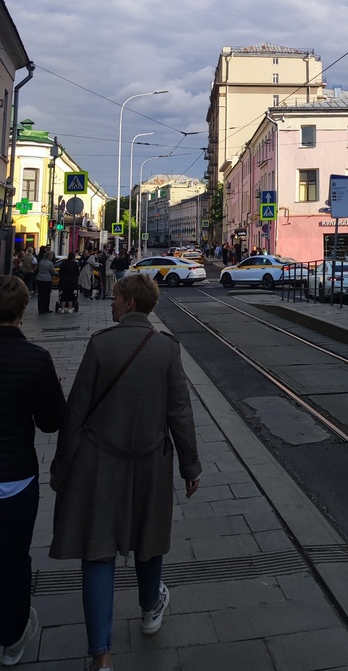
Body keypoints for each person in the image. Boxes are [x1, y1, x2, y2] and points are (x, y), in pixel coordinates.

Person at [49, 273, 201, 671]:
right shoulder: (167, 350)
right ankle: (151, 609)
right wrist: (190, 465)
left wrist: (61, 465)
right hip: (151, 462)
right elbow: (179, 414)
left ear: (130, 303)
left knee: (98, 553)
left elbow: (76, 412)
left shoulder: (101, 345)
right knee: (149, 540)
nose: (111, 303)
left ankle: (102, 656)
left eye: (115, 297)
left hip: (99, 462)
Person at [0, 275, 66, 666]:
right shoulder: (36, 359)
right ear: (24, 310)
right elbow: (51, 422)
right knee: (15, 558)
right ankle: (12, 637)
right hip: (16, 480)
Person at [35, 250, 56, 315]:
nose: (52, 257)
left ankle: (40, 309)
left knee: (41, 295)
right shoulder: (50, 263)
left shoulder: (41, 262)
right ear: (49, 256)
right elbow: (53, 272)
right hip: (47, 280)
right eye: (52, 255)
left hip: (40, 279)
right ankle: (46, 308)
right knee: (46, 295)